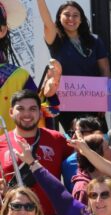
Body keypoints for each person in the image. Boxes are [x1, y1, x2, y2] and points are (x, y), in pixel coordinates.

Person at [0, 90, 74, 215]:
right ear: (11, 112)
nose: (27, 114)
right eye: (21, 109)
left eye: (32, 109)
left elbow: (79, 167)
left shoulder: (57, 139)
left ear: (40, 112)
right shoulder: (1, 142)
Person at [37, 0, 110, 130]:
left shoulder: (95, 40)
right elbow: (47, 21)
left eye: (75, 15)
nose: (71, 18)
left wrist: (103, 100)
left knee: (98, 140)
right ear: (59, 18)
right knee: (73, 140)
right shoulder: (55, 39)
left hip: (93, 101)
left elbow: (104, 70)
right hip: (66, 103)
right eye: (66, 14)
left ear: (81, 19)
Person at [0, 0, 60, 131]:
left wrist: (48, 95)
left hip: (12, 150)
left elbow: (44, 117)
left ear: (3, 30)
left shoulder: (19, 77)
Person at [62, 116, 111, 193]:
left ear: (97, 134)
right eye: (71, 133)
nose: (74, 137)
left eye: (80, 133)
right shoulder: (68, 164)